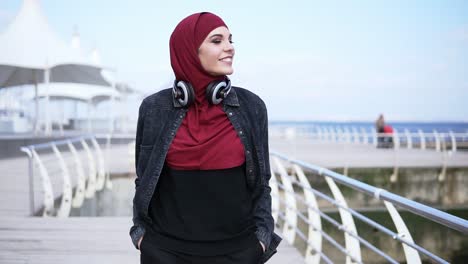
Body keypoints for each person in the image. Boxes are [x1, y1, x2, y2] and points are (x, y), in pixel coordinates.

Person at [129, 12, 282, 264]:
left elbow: (262, 183)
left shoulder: (252, 107)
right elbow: (143, 178)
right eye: (217, 40)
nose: (229, 47)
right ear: (189, 50)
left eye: (230, 40)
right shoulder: (154, 108)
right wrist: (141, 236)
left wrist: (260, 240)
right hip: (164, 252)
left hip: (239, 252)